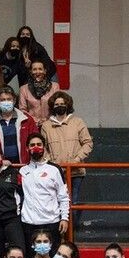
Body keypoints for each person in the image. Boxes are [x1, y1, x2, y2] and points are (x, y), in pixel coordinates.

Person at [40, 90, 92, 225]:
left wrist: (76, 160)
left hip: (75, 171)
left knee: (71, 203)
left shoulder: (78, 122)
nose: (60, 106)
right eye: (57, 104)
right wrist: (52, 164)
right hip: (55, 173)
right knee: (55, 203)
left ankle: (70, 232)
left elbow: (88, 143)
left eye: (62, 103)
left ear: (68, 105)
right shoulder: (46, 126)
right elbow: (43, 148)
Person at [19, 133, 70, 258]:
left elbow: (63, 196)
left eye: (39, 144)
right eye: (32, 145)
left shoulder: (55, 169)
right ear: (27, 148)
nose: (36, 147)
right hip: (29, 223)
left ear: (44, 147)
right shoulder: (22, 171)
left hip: (51, 222)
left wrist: (64, 218)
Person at [0, 86, 38, 164]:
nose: (6, 102)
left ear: (14, 101)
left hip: (25, 165)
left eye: (9, 99)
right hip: (0, 167)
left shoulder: (27, 120)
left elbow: (36, 141)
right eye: (3, 100)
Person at [18, 60, 60, 125]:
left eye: (40, 69)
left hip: (51, 124)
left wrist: (47, 120)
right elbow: (22, 110)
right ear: (30, 71)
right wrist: (36, 121)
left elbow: (57, 106)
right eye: (34, 69)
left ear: (45, 71)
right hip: (32, 125)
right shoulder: (23, 89)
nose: (37, 72)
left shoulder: (55, 86)